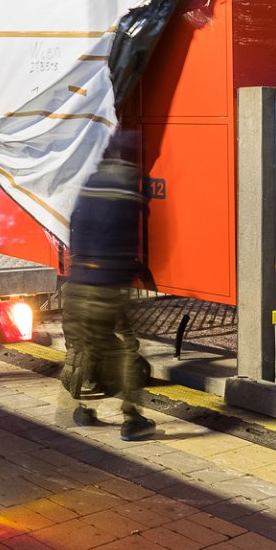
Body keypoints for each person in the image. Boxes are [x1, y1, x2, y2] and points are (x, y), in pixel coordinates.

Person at [60, 132, 155, 441]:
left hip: (78, 283)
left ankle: (82, 409)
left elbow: (77, 228)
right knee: (127, 348)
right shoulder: (129, 185)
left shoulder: (89, 182)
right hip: (108, 286)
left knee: (85, 346)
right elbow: (125, 240)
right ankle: (132, 419)